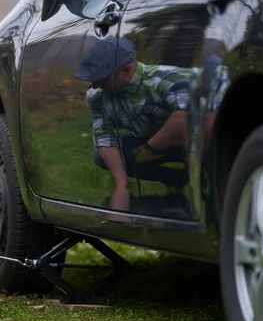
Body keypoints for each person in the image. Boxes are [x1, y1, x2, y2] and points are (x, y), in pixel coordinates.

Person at [74, 37, 194, 213]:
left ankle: (201, 187)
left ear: (127, 70)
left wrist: (149, 150)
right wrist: (121, 186)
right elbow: (106, 139)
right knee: (99, 156)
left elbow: (186, 117)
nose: (95, 85)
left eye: (102, 79)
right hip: (151, 143)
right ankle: (176, 186)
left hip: (195, 140)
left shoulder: (166, 79)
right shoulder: (97, 96)